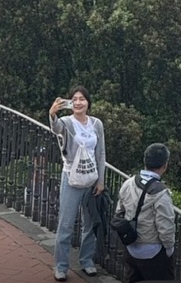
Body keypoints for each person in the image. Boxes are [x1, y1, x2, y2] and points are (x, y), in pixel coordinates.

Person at [49, 86, 106, 281]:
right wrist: (53, 114)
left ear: (88, 102)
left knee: (89, 224)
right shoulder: (67, 122)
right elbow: (56, 129)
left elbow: (101, 153)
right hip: (71, 179)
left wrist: (101, 181)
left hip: (91, 179)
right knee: (66, 225)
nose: (79, 102)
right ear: (70, 103)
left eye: (82, 99)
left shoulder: (96, 124)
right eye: (75, 99)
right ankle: (61, 266)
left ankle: (86, 261)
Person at [113, 143, 175, 282]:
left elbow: (119, 211)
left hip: (131, 247)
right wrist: (169, 250)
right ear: (164, 165)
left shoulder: (128, 183)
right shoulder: (161, 193)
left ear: (145, 161)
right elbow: (165, 228)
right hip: (152, 251)